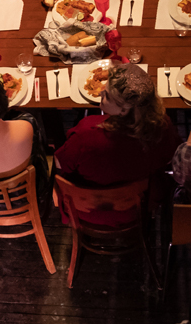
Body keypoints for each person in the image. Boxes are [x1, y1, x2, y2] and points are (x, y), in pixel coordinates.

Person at [55, 64, 181, 225]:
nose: (101, 92)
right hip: (138, 208)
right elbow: (170, 157)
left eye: (107, 95)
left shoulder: (86, 134)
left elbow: (62, 164)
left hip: (88, 211)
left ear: (124, 110)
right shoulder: (163, 128)